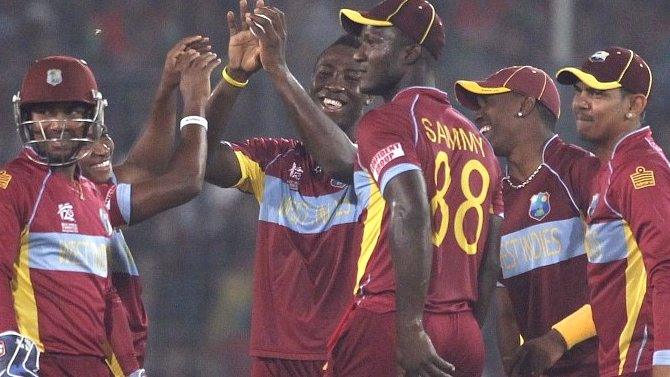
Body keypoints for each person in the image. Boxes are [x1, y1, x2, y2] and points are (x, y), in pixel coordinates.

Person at [0, 45, 218, 376]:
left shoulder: (95, 197)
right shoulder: (13, 184)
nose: (57, 125)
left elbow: (109, 298)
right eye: (45, 113)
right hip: (40, 363)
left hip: (96, 364)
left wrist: (130, 370)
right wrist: (7, 342)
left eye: (72, 112)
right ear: (27, 117)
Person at [326, 1, 504, 376]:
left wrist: (411, 327)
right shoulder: (480, 143)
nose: (359, 53)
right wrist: (465, 328)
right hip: (463, 328)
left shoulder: (386, 121)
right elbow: (491, 258)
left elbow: (410, 208)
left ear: (409, 53)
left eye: (373, 41)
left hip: (394, 318)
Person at [204, 1, 368, 375]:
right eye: (325, 73)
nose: (335, 84)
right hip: (274, 357)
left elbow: (343, 162)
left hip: (349, 353)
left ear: (371, 93)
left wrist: (277, 69)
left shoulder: (379, 165)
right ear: (309, 84)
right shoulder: (274, 161)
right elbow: (203, 160)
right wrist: (233, 77)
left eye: (352, 77)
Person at [79, 36, 213, 373]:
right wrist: (195, 104)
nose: (103, 149)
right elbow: (186, 181)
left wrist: (167, 86)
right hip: (91, 358)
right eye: (88, 142)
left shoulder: (87, 187)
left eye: (103, 134)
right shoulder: (81, 203)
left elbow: (144, 167)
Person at [454, 66, 599, 376]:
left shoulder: (579, 172)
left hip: (600, 365)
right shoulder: (496, 197)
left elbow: (625, 279)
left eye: (487, 101)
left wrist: (558, 340)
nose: (478, 116)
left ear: (524, 105)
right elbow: (504, 307)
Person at [556, 47, 670, 377]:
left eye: (597, 93)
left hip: (643, 363)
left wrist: (664, 361)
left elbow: (666, 266)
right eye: (580, 91)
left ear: (634, 105)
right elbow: (617, 292)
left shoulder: (641, 171)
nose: (581, 102)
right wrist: (559, 338)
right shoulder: (611, 170)